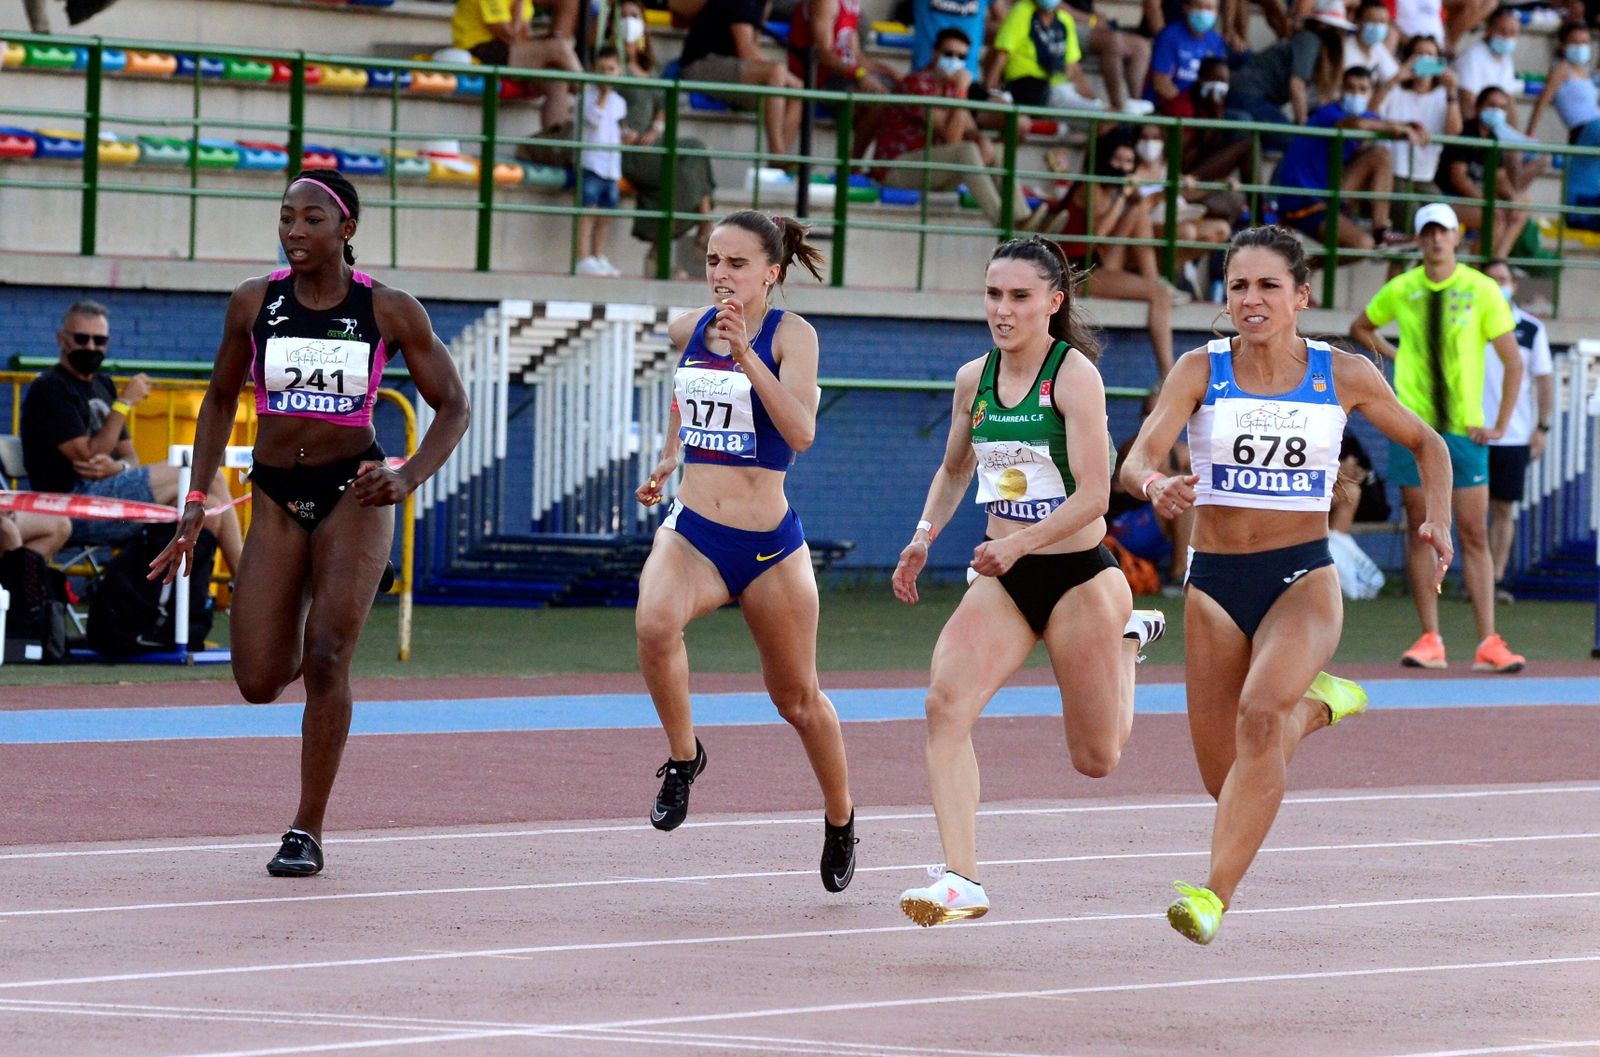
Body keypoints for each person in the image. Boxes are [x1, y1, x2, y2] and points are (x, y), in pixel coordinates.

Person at [1121, 224, 1452, 945]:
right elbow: (1139, 453)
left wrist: (1441, 524)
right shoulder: (1199, 368)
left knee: (1259, 719)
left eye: (1269, 285)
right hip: (1212, 582)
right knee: (1229, 778)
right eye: (1239, 285)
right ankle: (1317, 706)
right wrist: (1154, 481)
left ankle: (1212, 894)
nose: (1252, 298)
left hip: (1301, 577)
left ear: (1301, 295)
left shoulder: (1344, 373)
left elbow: (1428, 443)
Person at [149, 171, 470, 877]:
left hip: (353, 494)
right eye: (286, 219)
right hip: (274, 495)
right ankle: (328, 591)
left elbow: (453, 405)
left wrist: (409, 474)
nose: (295, 232)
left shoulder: (388, 310)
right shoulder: (253, 303)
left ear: (346, 229)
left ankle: (306, 827)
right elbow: (218, 400)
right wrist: (196, 501)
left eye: (312, 220)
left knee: (327, 656)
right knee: (259, 679)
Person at [891, 236, 1165, 926]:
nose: (1003, 310)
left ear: (1053, 301)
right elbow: (956, 470)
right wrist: (922, 538)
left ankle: (1129, 643)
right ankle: (962, 878)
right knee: (943, 704)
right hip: (1004, 574)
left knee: (1097, 758)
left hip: (1077, 575)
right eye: (993, 295)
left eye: (1018, 296)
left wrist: (1021, 546)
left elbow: (1095, 496)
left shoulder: (1073, 377)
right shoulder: (971, 379)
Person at [633, 211, 859, 893]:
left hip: (769, 548)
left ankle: (841, 816)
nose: (721, 276)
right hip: (695, 530)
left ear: (772, 272)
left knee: (797, 699)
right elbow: (685, 394)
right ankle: (684, 756)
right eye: (712, 261)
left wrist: (747, 356)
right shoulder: (690, 329)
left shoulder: (793, 336)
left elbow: (802, 430)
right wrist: (671, 455)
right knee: (653, 622)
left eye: (736, 263)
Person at [1350, 202, 1527, 673]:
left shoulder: (1481, 289)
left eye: (1442, 232)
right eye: (1427, 232)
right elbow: (1360, 328)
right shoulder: (1403, 288)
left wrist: (1501, 424)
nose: (1434, 240)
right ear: (1420, 238)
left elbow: (1514, 360)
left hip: (1463, 429)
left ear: (1456, 237)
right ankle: (1431, 637)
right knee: (1419, 528)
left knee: (1472, 531)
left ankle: (1489, 640)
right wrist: (1397, 358)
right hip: (1412, 427)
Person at [20, 300, 244, 575]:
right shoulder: (50, 389)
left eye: (99, 340)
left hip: (109, 498)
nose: (91, 347)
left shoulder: (102, 384)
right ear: (61, 340)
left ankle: (176, 609)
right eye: (82, 338)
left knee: (209, 511)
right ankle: (246, 583)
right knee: (210, 477)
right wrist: (124, 403)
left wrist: (119, 468)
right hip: (69, 506)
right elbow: (87, 455)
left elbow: (130, 457)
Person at [1045, 133, 1184, 377]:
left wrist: (1166, 188)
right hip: (1076, 270)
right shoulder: (1091, 186)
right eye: (1117, 160)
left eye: (1128, 162)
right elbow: (1098, 232)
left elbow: (1143, 207)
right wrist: (1122, 195)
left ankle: (1153, 278)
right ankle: (1167, 374)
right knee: (1159, 294)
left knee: (1139, 212)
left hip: (1099, 260)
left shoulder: (1116, 188)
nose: (1121, 167)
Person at [872, 29, 1030, 231]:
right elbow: (952, 138)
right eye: (949, 54)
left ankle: (1023, 219)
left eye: (961, 56)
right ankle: (1004, 223)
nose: (955, 60)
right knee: (966, 151)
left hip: (931, 168)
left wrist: (981, 140)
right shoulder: (917, 84)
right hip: (897, 169)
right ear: (935, 53)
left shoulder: (952, 87)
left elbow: (970, 131)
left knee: (996, 151)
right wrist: (962, 92)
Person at [611, 0, 718, 279]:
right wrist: (622, 129)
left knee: (690, 159)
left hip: (652, 144)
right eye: (623, 17)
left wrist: (656, 128)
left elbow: (662, 104)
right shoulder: (610, 63)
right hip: (624, 149)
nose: (629, 22)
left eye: (634, 15)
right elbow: (599, 98)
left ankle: (671, 246)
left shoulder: (650, 68)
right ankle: (703, 227)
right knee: (688, 158)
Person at [1273, 65, 1423, 250]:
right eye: (1350, 88)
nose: (1355, 94)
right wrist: (1399, 129)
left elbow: (1378, 123)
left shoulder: (1365, 116)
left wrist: (1414, 127)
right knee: (1363, 245)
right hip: (1303, 199)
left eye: (1362, 89)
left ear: (1370, 93)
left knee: (1381, 154)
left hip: (1327, 194)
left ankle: (1381, 232)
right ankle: (1308, 268)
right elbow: (1358, 125)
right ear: (1341, 90)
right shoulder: (1328, 113)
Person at [1478, 259, 1553, 602]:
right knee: (1470, 509)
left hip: (1513, 433)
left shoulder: (1531, 328)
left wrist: (1542, 426)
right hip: (1472, 431)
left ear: (1514, 284)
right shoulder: (1467, 324)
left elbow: (1544, 379)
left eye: (1503, 279)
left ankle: (1493, 580)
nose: (1498, 284)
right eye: (1491, 279)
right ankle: (1470, 578)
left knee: (1503, 508)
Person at [679, 0, 804, 157]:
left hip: (733, 68)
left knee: (797, 90)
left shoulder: (764, 4)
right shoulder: (742, 2)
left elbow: (753, 46)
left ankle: (778, 163)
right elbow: (746, 51)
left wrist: (786, 79)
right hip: (701, 65)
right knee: (777, 73)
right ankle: (778, 154)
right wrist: (785, 76)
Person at [1435, 85, 1538, 259]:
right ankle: (1476, 274)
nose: (1497, 111)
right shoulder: (1465, 133)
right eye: (1492, 105)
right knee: (1494, 219)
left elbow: (1500, 178)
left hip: (1475, 200)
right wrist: (1488, 203)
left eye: (1502, 107)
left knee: (1523, 203)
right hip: (1448, 198)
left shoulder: (1493, 138)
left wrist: (1514, 199)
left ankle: (1498, 262)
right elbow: (1458, 178)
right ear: (1478, 107)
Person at [451, 0, 582, 133]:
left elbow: (521, 38)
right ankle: (589, 92)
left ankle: (554, 143)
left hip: (508, 54)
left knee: (556, 82)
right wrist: (519, 6)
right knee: (558, 48)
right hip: (478, 53)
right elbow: (509, 36)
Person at [1224, 1, 1350, 137]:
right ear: (1323, 25)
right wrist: (1303, 126)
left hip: (1258, 98)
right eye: (1336, 28)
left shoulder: (1310, 41)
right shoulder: (1309, 40)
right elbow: (1296, 85)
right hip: (1248, 95)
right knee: (1290, 139)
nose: (1340, 34)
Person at [1524, 22, 1600, 229]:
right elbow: (1544, 99)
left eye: (1585, 42)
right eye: (1575, 42)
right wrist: (1530, 131)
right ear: (1562, 45)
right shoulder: (1562, 68)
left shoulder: (1585, 72)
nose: (1581, 46)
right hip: (1586, 128)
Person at [1378, 34, 1462, 207]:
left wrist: (1452, 92)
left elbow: (1454, 132)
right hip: (1394, 174)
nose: (1425, 59)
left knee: (1443, 217)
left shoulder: (1442, 95)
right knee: (1413, 216)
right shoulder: (1395, 90)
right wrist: (1395, 78)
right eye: (1419, 54)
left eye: (1430, 55)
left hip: (1424, 177)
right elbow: (1370, 114)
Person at [986, 0, 1104, 110]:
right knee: (1101, 118)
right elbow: (1001, 55)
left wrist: (1093, 99)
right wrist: (990, 92)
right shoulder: (1022, 11)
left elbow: (1073, 68)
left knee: (1103, 115)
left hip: (1061, 89)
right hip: (1030, 88)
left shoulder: (1065, 19)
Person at [575, 46, 632, 277]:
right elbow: (594, 119)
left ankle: (597, 255)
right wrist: (603, 95)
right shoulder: (586, 96)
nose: (606, 74)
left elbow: (615, 128)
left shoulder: (619, 102)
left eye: (611, 69)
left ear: (618, 71)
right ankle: (582, 257)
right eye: (602, 70)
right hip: (592, 161)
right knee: (587, 211)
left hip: (611, 165)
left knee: (605, 214)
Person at [1144, 0, 1226, 116]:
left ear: (1217, 12)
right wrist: (1185, 106)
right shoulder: (1169, 36)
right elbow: (1161, 84)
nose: (1203, 12)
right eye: (1198, 6)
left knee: (1240, 119)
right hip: (1167, 106)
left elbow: (1218, 81)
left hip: (1201, 106)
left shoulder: (1216, 41)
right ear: (1186, 8)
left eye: (1209, 8)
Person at [1452, 5, 1519, 119]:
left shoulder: (1506, 59)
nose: (1507, 37)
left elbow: (1509, 101)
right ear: (1488, 30)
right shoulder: (1472, 56)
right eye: (1502, 31)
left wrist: (1513, 135)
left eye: (1512, 33)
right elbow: (1467, 102)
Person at [1345, 0, 1402, 100]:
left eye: (1382, 22)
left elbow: (1393, 79)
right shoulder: (1345, 48)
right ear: (1358, 21)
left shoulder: (1378, 47)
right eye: (1371, 20)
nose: (1377, 27)